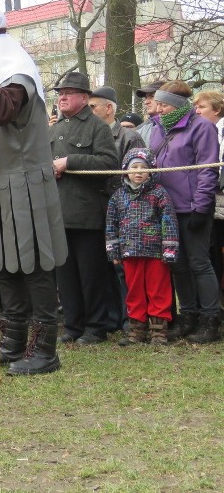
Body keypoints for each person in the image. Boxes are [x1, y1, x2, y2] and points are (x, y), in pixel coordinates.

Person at [0, 3, 67, 375]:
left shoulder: (17, 73)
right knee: (5, 264)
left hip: (25, 183)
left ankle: (45, 349)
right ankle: (14, 342)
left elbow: (0, 112)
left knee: (33, 263)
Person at [48, 71, 119, 345]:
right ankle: (74, 326)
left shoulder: (97, 127)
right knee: (65, 278)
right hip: (59, 214)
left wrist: (70, 162)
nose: (62, 97)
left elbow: (109, 164)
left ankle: (95, 327)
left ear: (83, 97)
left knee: (91, 276)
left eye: (68, 92)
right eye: (59, 93)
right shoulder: (52, 129)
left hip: (88, 214)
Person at [149, 81, 220, 343]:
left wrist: (201, 206)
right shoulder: (158, 128)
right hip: (167, 209)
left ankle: (210, 319)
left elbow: (207, 169)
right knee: (177, 265)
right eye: (157, 103)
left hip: (192, 207)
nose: (158, 109)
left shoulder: (202, 127)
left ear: (178, 105)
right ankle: (188, 315)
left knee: (199, 263)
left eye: (163, 104)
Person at [106, 148, 179, 346]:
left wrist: (169, 250)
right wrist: (113, 250)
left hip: (155, 253)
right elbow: (111, 225)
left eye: (143, 168)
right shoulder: (118, 196)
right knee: (134, 290)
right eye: (134, 167)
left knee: (158, 290)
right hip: (130, 252)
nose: (138, 172)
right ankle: (137, 329)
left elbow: (168, 222)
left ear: (151, 171)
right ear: (125, 170)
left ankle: (158, 331)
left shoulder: (159, 194)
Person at [88, 85, 145, 333]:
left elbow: (138, 173)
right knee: (103, 264)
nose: (88, 112)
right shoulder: (90, 134)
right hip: (97, 208)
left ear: (109, 108)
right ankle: (110, 318)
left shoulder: (128, 137)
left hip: (124, 210)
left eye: (93, 107)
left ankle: (128, 319)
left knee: (122, 267)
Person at [192, 90, 224, 292]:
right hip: (211, 201)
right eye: (195, 107)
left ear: (218, 109)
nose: (197, 111)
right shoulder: (202, 131)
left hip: (219, 196)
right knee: (213, 251)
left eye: (202, 107)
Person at [134, 80, 166, 146]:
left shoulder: (185, 125)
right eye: (145, 97)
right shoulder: (140, 130)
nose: (146, 102)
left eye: (151, 96)